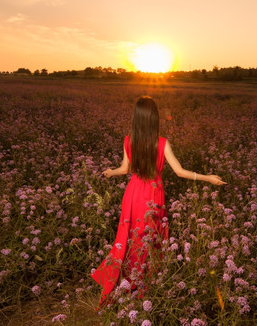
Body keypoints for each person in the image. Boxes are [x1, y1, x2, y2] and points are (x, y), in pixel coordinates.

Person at [91, 96, 225, 306]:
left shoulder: (129, 140)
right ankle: (142, 285)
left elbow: (125, 169)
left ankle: (122, 283)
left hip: (132, 195)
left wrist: (111, 172)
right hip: (152, 197)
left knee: (127, 239)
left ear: (136, 118)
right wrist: (208, 178)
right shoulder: (162, 143)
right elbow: (180, 172)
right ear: (154, 118)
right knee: (149, 241)